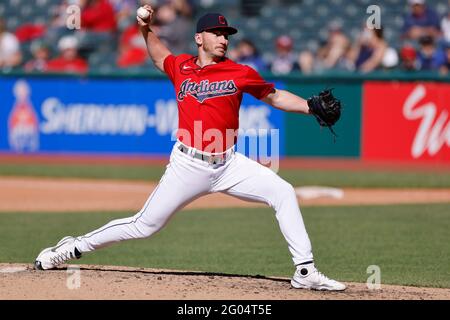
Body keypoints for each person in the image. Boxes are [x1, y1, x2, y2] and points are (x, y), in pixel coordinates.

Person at [34, 8, 346, 291]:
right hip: (188, 164)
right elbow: (159, 56)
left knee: (283, 192)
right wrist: (145, 29)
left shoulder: (240, 72)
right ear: (199, 38)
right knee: (144, 226)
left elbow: (274, 97)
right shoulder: (181, 66)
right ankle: (72, 247)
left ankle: (305, 271)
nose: (223, 39)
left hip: (229, 164)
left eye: (226, 34)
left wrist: (309, 106)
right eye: (217, 33)